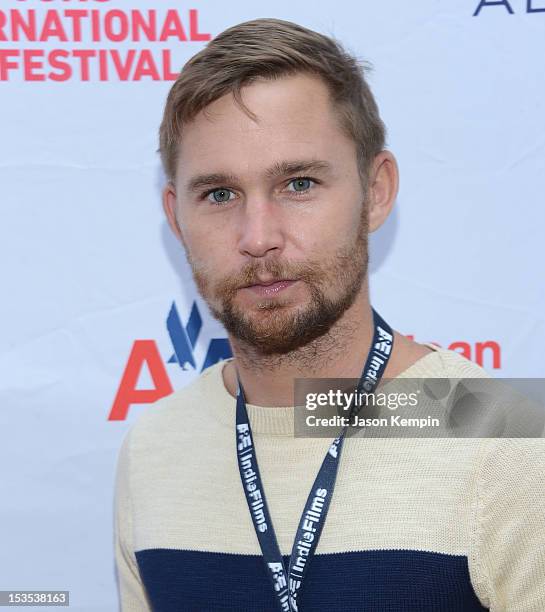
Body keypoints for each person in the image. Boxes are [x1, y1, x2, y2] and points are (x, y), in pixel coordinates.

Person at [113, 18, 545, 611]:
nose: (258, 237)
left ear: (377, 191)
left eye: (298, 183)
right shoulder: (155, 448)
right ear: (175, 214)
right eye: (219, 194)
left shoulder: (501, 439)